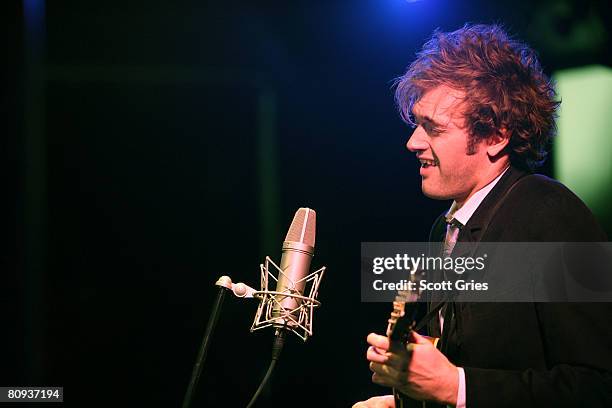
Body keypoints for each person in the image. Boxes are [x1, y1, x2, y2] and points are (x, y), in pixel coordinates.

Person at [353, 24, 612, 408]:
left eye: (433, 128)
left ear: (496, 135)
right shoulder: (446, 228)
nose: (413, 142)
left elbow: (598, 386)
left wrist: (454, 387)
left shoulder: (552, 213)